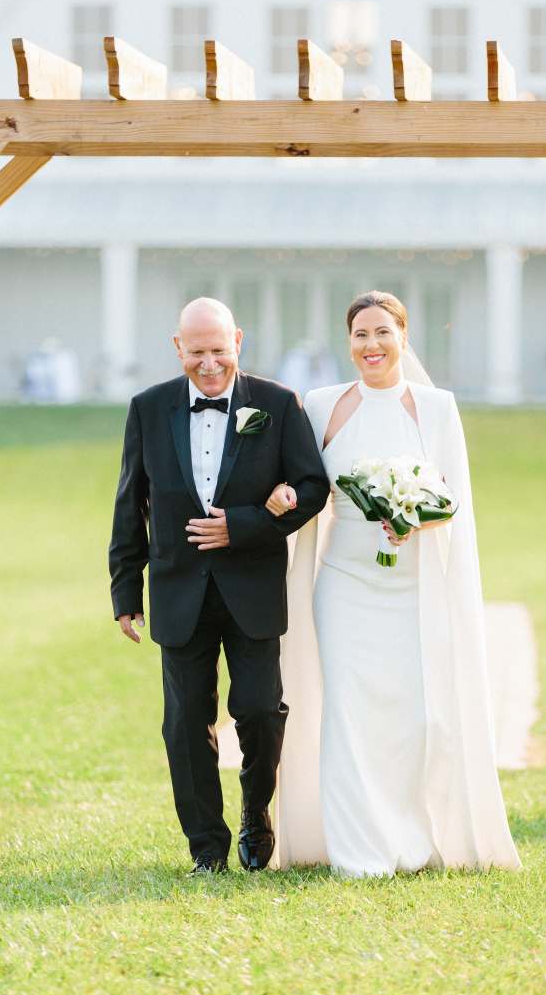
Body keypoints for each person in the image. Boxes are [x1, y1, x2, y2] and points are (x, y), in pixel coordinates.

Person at [269, 290, 521, 876]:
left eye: (383, 332)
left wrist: (415, 519)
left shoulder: (436, 408)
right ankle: (357, 850)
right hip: (344, 586)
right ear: (348, 342)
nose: (372, 345)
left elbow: (453, 499)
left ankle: (408, 838)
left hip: (412, 589)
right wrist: (282, 495)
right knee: (348, 712)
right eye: (360, 334)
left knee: (411, 717)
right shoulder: (323, 406)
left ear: (403, 337)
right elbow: (304, 483)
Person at [109, 298, 330, 875]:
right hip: (178, 590)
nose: (209, 364)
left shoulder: (277, 404)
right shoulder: (148, 408)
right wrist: (125, 591)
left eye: (218, 350)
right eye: (197, 352)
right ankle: (206, 848)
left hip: (252, 587)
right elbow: (130, 503)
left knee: (259, 710)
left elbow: (312, 486)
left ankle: (257, 813)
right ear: (177, 347)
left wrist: (246, 525)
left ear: (238, 341)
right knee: (185, 725)